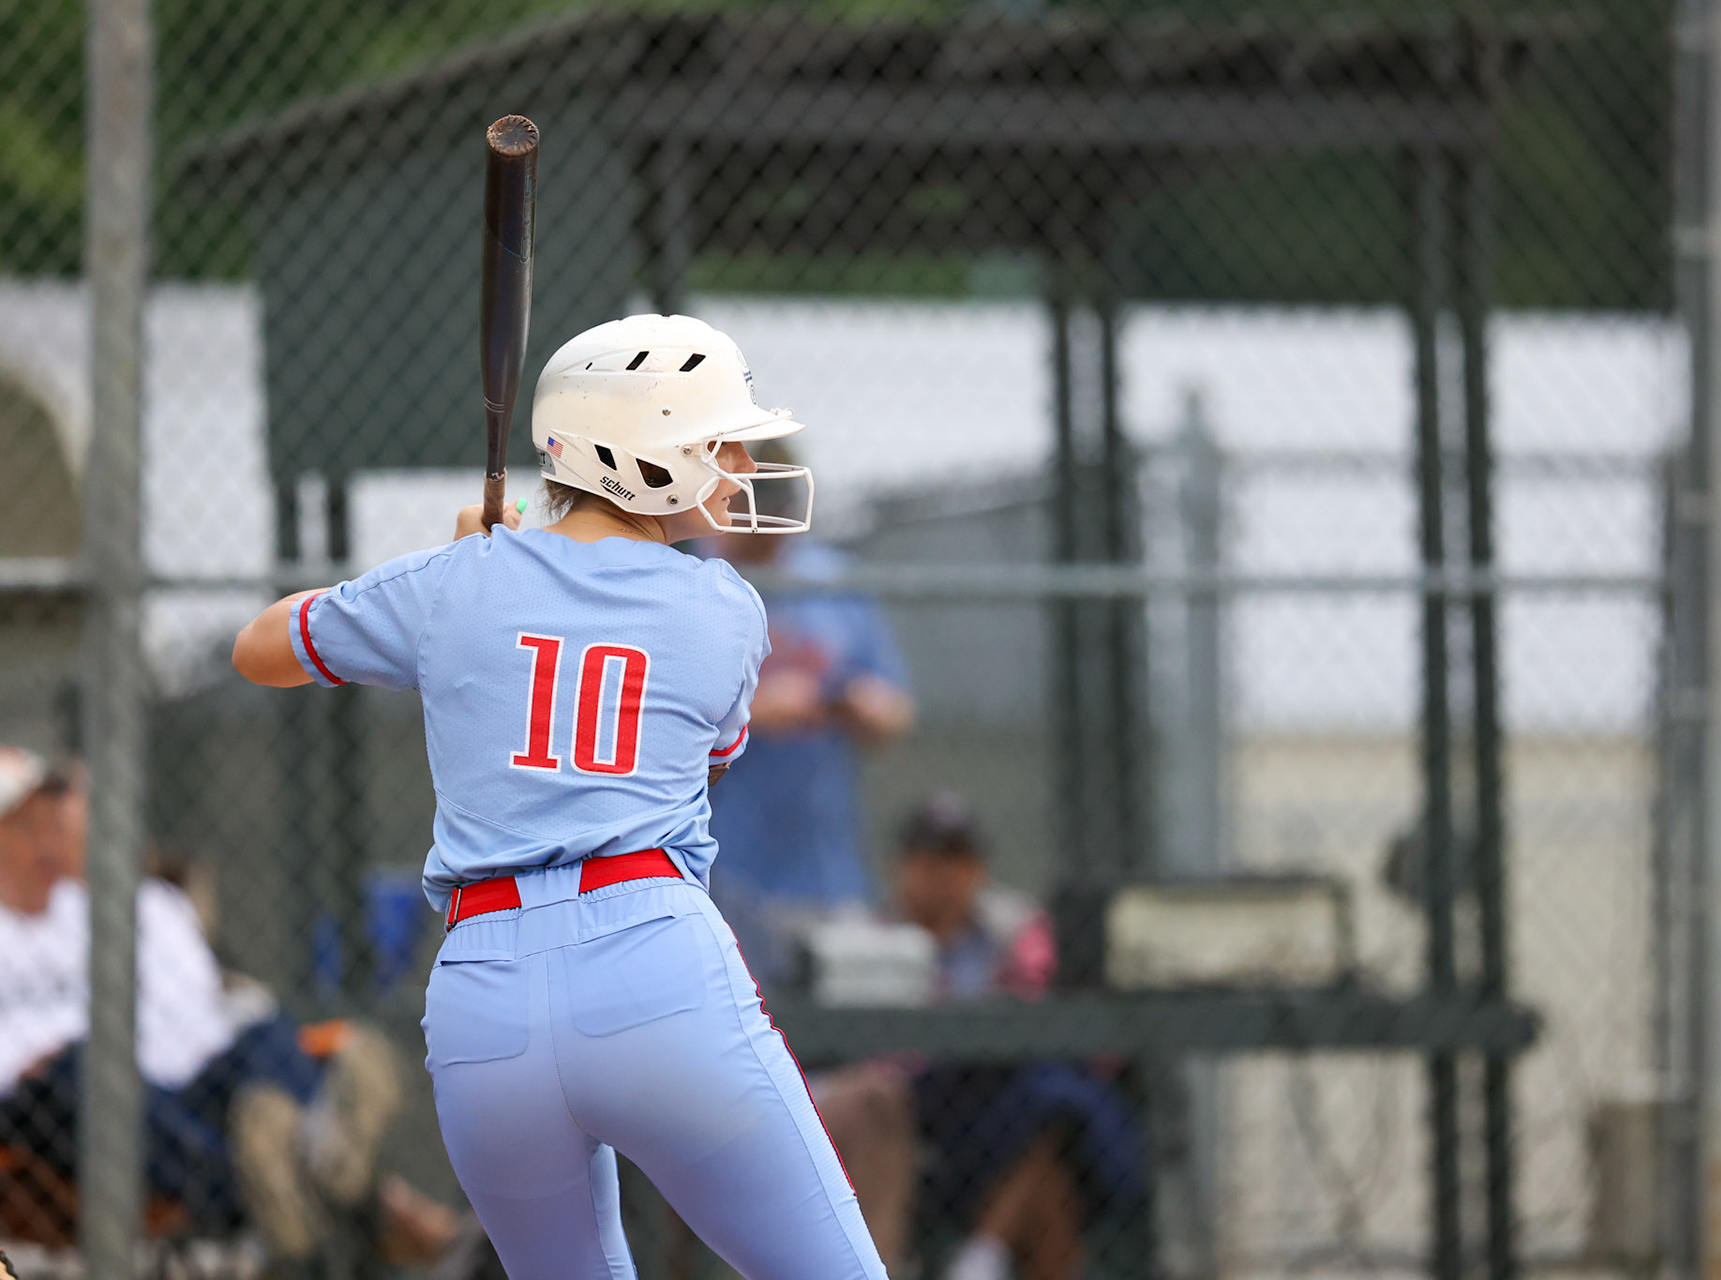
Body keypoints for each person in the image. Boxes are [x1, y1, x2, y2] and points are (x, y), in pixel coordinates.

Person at [231, 313, 889, 1280]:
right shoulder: (725, 608)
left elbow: (260, 649)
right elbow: (708, 752)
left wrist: (467, 564)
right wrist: (508, 560)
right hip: (653, 964)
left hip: (480, 999)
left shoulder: (456, 580)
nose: (737, 463)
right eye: (712, 441)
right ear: (642, 457)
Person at [0, 747, 433, 1270]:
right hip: (56, 1104)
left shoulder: (123, 908)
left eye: (55, 826)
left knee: (265, 1030)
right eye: (25, 828)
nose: (47, 843)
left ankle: (295, 1160)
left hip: (181, 1095)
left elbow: (204, 1021)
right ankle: (300, 1181)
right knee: (85, 1069)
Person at [822, 795, 1146, 1280]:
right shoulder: (866, 939)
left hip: (997, 1105)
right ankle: (982, 1257)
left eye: (958, 858)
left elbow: (1049, 1020)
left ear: (980, 868)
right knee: (1054, 1115)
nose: (943, 874)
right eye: (928, 858)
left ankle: (982, 1255)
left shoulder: (1015, 931)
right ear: (899, 866)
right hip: (917, 1109)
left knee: (1055, 1115)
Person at [703, 441, 914, 980]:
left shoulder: (832, 578)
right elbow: (646, 722)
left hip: (825, 863)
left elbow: (894, 710)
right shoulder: (691, 578)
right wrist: (750, 712)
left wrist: (868, 707)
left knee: (834, 1024)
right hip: (718, 863)